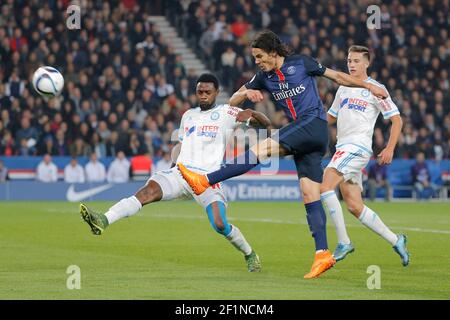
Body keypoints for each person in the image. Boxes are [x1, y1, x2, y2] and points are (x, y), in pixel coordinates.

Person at [177, 30, 388, 279]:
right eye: (254, 57)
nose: (256, 61)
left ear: (273, 53)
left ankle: (206, 180)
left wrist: (367, 85)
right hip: (306, 140)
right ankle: (322, 253)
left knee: (262, 147)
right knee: (309, 193)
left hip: (314, 124)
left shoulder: (301, 63)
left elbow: (338, 76)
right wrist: (247, 93)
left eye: (259, 56)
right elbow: (232, 103)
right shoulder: (263, 77)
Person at [79, 74, 271, 272]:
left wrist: (254, 115)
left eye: (207, 92)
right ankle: (103, 220)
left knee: (220, 224)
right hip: (180, 173)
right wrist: (172, 166)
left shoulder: (227, 112)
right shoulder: (188, 115)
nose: (203, 95)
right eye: (200, 92)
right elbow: (180, 144)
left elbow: (263, 122)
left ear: (217, 93)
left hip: (208, 179)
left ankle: (250, 254)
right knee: (145, 193)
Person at [319, 45, 409, 266]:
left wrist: (389, 148)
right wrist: (306, 122)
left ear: (367, 63)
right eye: (349, 60)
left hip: (357, 148)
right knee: (354, 205)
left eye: (357, 61)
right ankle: (396, 240)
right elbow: (329, 117)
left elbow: (396, 119)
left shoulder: (377, 88)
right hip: (343, 148)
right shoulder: (343, 88)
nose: (351, 64)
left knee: (325, 186)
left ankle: (344, 242)